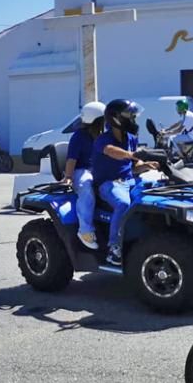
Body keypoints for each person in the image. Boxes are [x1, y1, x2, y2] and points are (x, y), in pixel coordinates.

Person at [92, 99, 159, 266]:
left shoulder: (131, 138)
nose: (134, 121)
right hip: (108, 184)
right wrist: (132, 155)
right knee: (123, 204)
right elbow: (112, 152)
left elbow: (134, 167)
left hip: (130, 180)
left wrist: (149, 165)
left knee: (156, 197)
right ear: (116, 119)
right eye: (131, 117)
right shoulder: (102, 139)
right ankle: (114, 249)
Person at [62, 102, 106, 249]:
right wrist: (68, 176)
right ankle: (85, 230)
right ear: (95, 121)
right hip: (81, 171)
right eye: (103, 120)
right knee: (86, 187)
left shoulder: (102, 136)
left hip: (97, 169)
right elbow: (71, 159)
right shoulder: (79, 137)